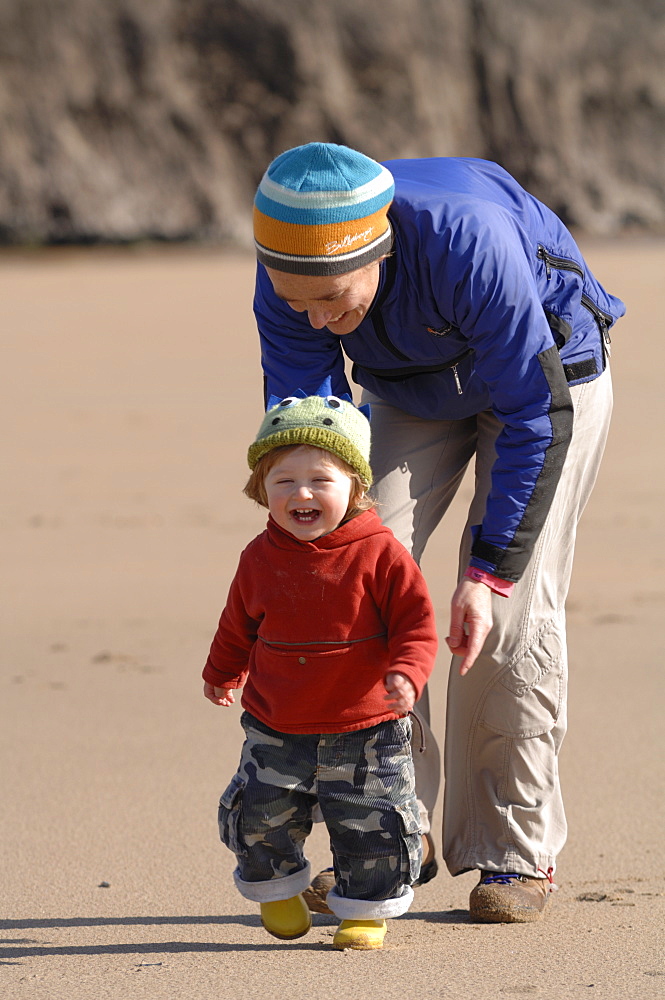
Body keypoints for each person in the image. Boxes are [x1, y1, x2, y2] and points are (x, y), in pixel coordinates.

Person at [251, 142, 626, 923]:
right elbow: (311, 431)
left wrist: (485, 575)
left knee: (507, 618)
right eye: (299, 304)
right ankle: (392, 834)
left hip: (547, 379)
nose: (318, 319)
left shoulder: (467, 240)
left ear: (377, 246)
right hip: (408, 386)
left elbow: (533, 409)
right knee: (349, 589)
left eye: (330, 297)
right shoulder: (287, 268)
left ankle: (513, 854)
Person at [203, 392, 438, 950]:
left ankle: (364, 909)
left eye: (320, 481)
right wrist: (222, 669)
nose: (301, 494)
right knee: (261, 816)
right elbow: (238, 623)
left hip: (367, 727)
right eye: (283, 481)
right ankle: (279, 890)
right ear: (261, 489)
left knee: (371, 823)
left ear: (356, 487)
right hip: (275, 724)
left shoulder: (380, 554)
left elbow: (417, 625)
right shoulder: (259, 556)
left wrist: (407, 672)